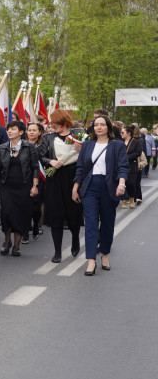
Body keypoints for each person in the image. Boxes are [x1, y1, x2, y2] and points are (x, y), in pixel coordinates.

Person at [72, 115, 129, 276]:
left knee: (107, 223)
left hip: (109, 186)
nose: (99, 127)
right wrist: (75, 187)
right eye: (96, 125)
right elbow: (81, 168)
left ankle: (105, 254)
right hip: (90, 186)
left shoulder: (117, 145)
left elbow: (123, 166)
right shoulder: (87, 145)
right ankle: (91, 261)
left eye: (102, 125)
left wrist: (122, 183)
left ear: (108, 127)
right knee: (90, 223)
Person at [0, 120, 41, 257]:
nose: (9, 131)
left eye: (13, 129)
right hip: (7, 186)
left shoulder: (29, 147)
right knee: (6, 214)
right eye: (8, 129)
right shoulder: (2, 148)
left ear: (21, 132)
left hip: (24, 186)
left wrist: (35, 186)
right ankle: (6, 242)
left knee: (21, 215)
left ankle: (17, 245)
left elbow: (35, 167)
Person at [40, 109, 84, 263]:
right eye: (51, 123)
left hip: (73, 179)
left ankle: (75, 238)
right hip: (55, 178)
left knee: (73, 213)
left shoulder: (78, 134)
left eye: (56, 123)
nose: (53, 126)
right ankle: (57, 251)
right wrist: (50, 162)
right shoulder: (49, 137)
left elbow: (87, 155)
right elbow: (40, 155)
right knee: (55, 215)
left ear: (65, 121)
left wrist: (82, 149)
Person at [26, 122, 47, 240]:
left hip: (40, 178)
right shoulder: (22, 145)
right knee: (26, 203)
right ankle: (26, 225)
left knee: (36, 204)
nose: (32, 132)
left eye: (34, 130)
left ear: (40, 132)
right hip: (25, 178)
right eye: (29, 130)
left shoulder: (43, 146)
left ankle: (37, 225)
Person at [121, 124, 143, 208]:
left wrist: (125, 157)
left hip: (132, 165)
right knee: (123, 183)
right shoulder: (120, 142)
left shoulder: (136, 141)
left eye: (123, 132)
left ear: (128, 133)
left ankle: (131, 198)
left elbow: (138, 152)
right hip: (122, 165)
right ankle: (124, 199)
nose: (121, 134)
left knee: (131, 183)